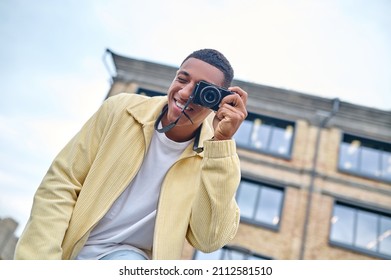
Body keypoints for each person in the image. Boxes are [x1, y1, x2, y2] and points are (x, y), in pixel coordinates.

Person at [14, 48, 248, 260]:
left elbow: (208, 240)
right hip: (69, 248)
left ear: (218, 100)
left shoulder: (217, 157)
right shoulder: (120, 110)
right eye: (182, 79)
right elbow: (61, 183)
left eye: (202, 90)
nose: (185, 93)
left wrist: (221, 142)